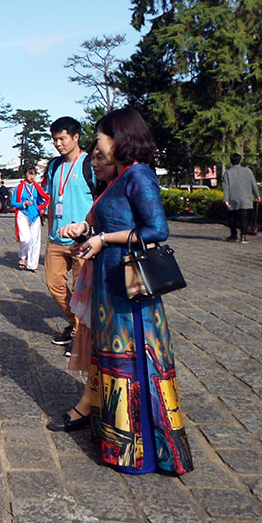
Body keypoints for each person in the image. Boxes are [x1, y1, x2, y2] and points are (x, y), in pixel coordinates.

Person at [55, 107, 192, 476]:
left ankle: (142, 449)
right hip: (108, 282)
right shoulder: (117, 178)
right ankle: (117, 440)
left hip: (131, 290)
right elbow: (111, 224)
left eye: (100, 139)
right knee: (113, 361)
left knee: (134, 362)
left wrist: (103, 238)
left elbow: (156, 230)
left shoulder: (139, 175)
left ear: (120, 139)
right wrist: (85, 232)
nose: (96, 147)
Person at [43, 116, 95, 355]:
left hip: (82, 240)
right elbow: (54, 200)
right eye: (54, 139)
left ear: (76, 137)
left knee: (81, 290)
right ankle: (75, 325)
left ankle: (79, 336)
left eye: (62, 138)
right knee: (54, 285)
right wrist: (50, 232)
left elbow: (98, 201)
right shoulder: (54, 166)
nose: (58, 144)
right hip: (57, 239)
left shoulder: (89, 164)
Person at [11, 165, 49, 272]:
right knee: (25, 238)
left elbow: (43, 200)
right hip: (22, 213)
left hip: (35, 214)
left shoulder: (37, 187)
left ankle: (33, 265)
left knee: (35, 240)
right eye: (29, 173)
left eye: (34, 174)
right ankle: (22, 256)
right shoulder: (19, 188)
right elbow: (13, 202)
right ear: (25, 174)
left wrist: (42, 208)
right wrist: (23, 204)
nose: (32, 176)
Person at [222, 153, 260, 244]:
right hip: (245, 198)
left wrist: (226, 199)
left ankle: (233, 235)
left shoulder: (227, 173)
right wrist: (257, 195)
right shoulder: (248, 171)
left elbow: (226, 187)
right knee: (244, 217)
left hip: (233, 198)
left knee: (232, 218)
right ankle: (243, 236)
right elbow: (253, 184)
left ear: (231, 161)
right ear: (240, 161)